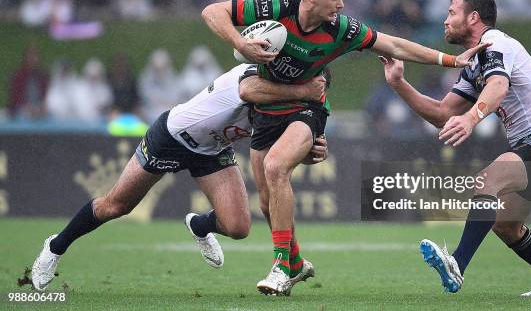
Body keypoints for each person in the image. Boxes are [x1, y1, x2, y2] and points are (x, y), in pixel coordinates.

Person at [201, 0, 489, 295]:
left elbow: (394, 45)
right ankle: (295, 264)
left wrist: (451, 61)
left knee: (275, 167)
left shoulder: (343, 30)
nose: (341, 6)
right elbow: (213, 12)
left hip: (307, 109)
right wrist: (241, 41)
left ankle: (281, 265)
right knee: (266, 202)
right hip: (265, 112)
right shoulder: (277, 8)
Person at [30, 64, 329, 292]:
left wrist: (311, 150)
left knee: (238, 227)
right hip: (172, 136)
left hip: (212, 151)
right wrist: (303, 92)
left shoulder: (284, 104)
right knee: (116, 206)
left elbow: (280, 152)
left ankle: (199, 225)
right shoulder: (256, 75)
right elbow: (248, 91)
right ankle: (55, 246)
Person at [381, 0, 531, 297]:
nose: (445, 21)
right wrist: (398, 84)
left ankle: (457, 264)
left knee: (487, 179)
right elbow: (442, 114)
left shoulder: (495, 43)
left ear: (473, 18)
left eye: (451, 13)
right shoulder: (474, 63)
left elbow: (498, 86)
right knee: (506, 226)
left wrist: (472, 119)